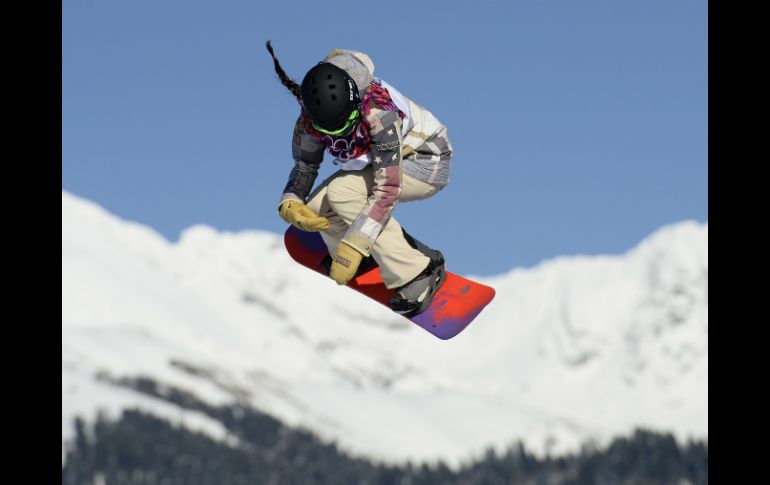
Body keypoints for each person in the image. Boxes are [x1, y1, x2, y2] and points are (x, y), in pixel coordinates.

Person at [266, 41, 452, 316]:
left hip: (425, 161)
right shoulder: (310, 118)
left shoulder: (379, 113)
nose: (339, 135)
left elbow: (387, 189)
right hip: (382, 163)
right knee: (315, 209)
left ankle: (418, 272)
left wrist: (355, 243)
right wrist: (291, 198)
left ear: (355, 103)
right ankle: (365, 257)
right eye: (329, 131)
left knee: (342, 193)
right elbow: (305, 164)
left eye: (346, 125)